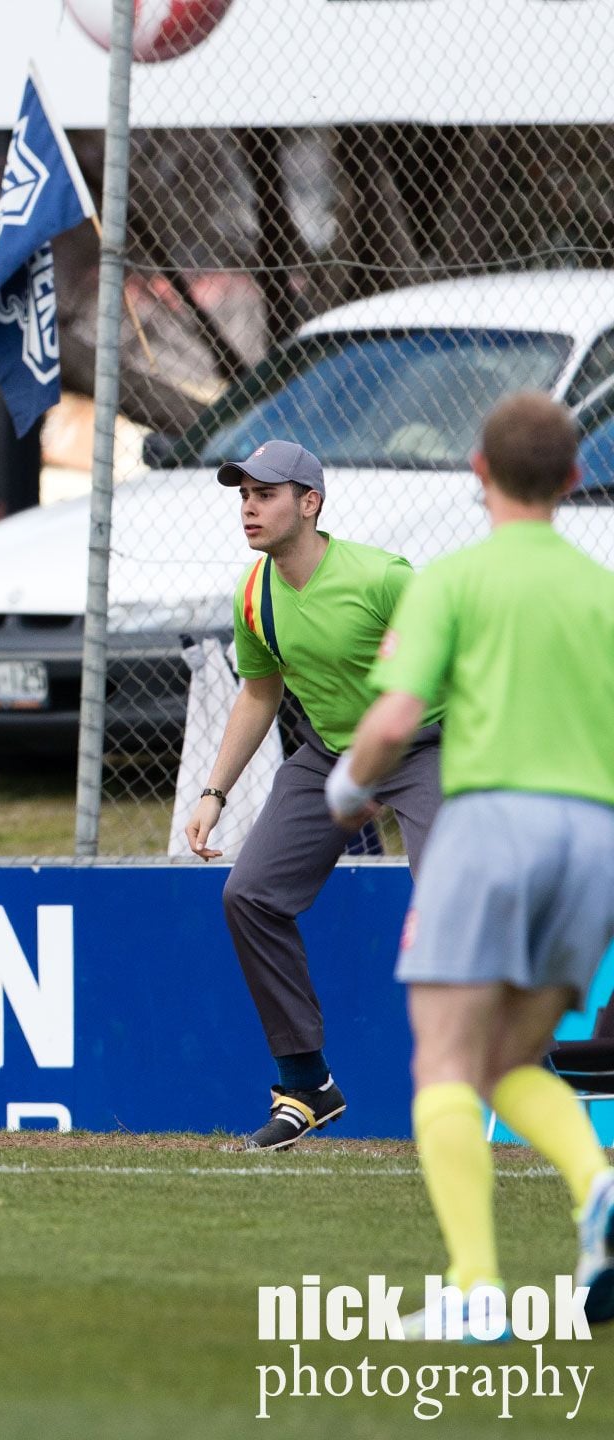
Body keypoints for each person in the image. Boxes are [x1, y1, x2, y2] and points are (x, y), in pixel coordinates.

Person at [328, 392, 614, 1336]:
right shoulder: (603, 590)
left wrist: (346, 789)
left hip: (492, 826)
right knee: (508, 1060)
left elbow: (395, 723)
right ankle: (600, 1186)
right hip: (594, 842)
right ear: (575, 479)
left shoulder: (450, 580)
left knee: (447, 1058)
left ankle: (476, 1289)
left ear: (477, 473)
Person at [181, 439, 445, 1151]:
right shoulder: (252, 593)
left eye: (265, 494)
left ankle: (533, 1061)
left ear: (310, 503)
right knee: (250, 896)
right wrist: (214, 792)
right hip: (330, 756)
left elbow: (461, 661)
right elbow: (259, 695)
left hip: (430, 745)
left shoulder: (384, 578)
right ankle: (306, 1086)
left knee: (451, 896)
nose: (249, 508)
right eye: (242, 495)